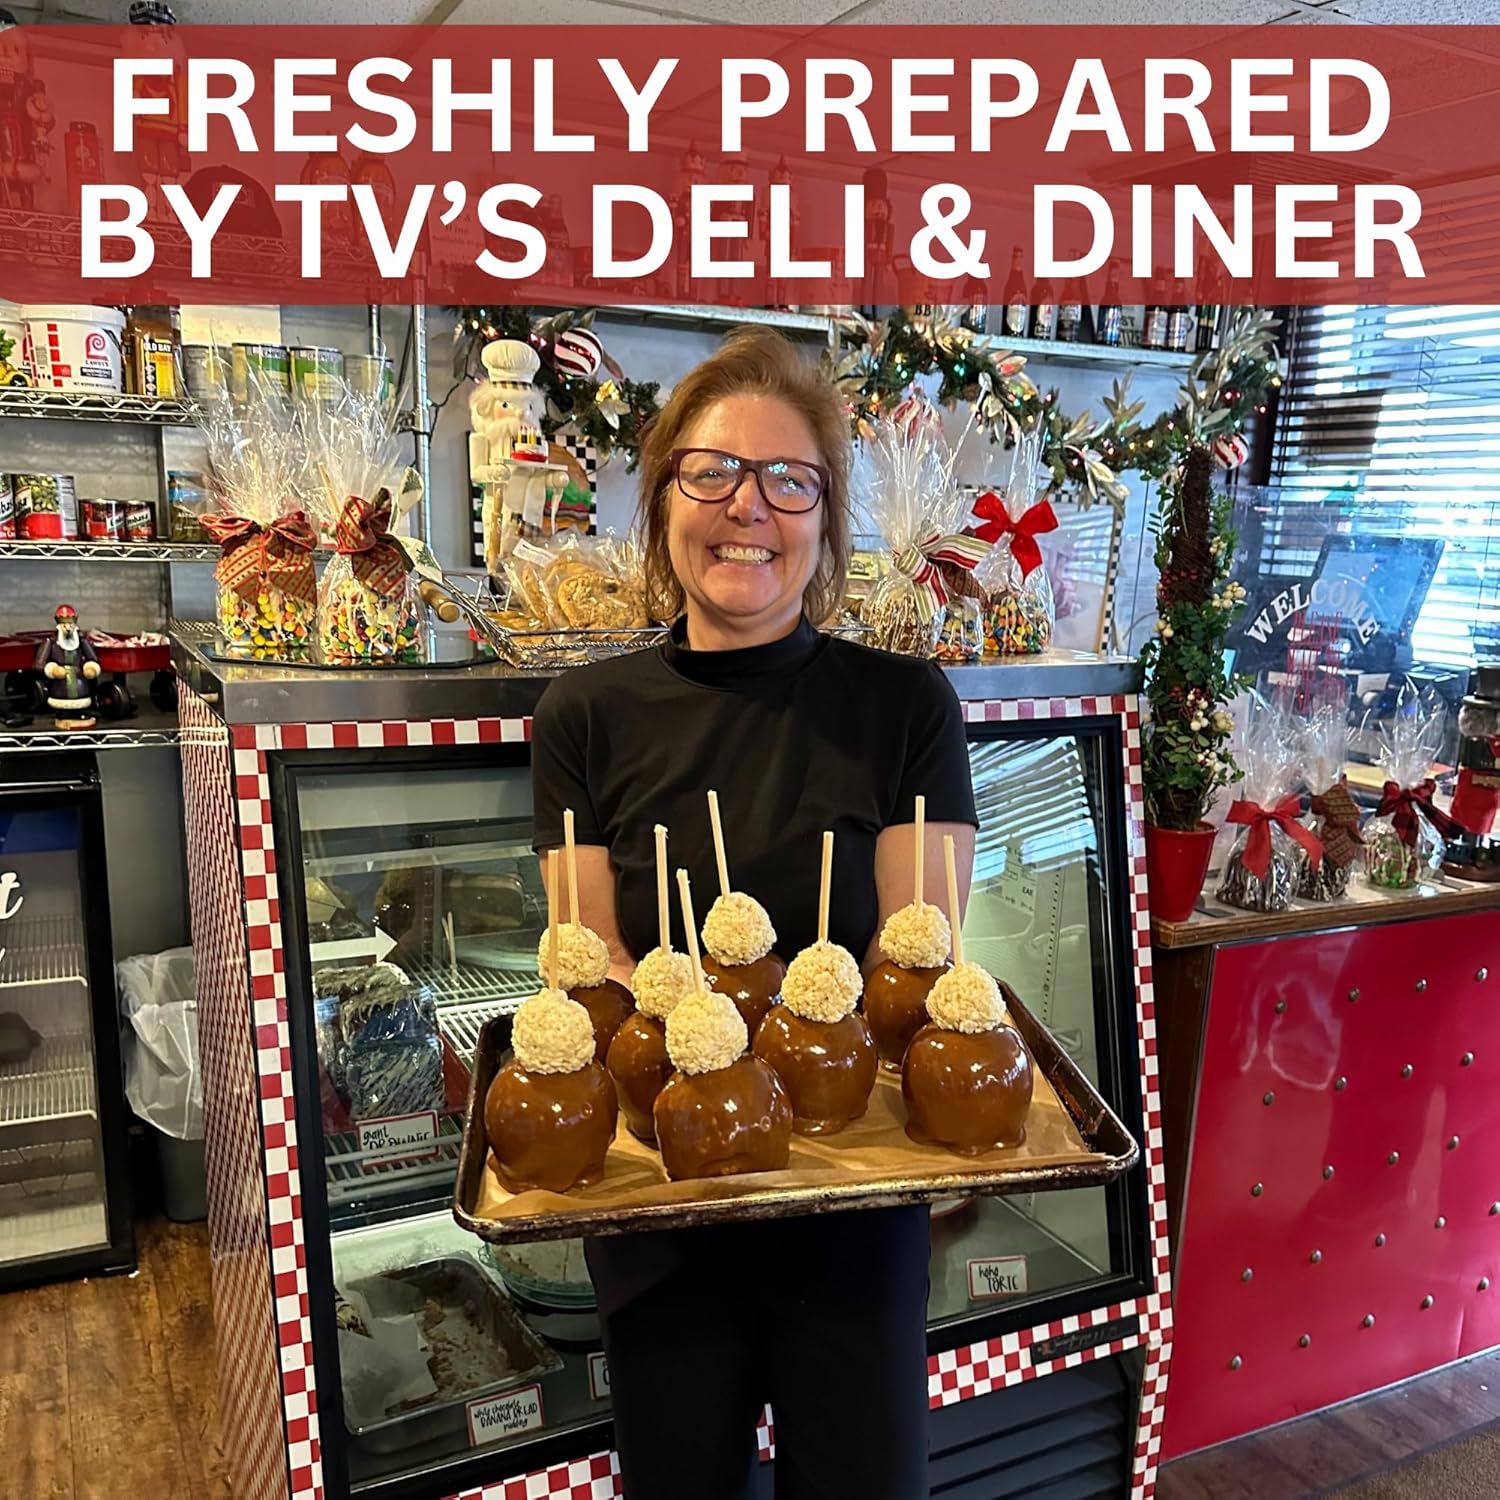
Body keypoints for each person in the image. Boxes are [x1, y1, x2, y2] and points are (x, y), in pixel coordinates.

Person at [531, 328, 977, 1500]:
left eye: (789, 480)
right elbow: (594, 958)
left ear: (825, 519)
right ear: (661, 497)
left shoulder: (904, 706)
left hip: (851, 1196)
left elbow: (917, 960)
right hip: (668, 1201)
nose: (748, 507)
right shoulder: (584, 715)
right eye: (711, 471)